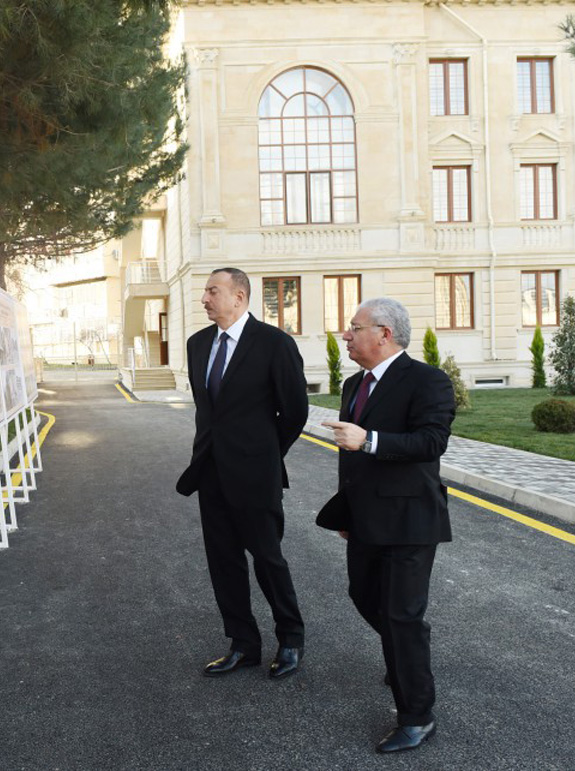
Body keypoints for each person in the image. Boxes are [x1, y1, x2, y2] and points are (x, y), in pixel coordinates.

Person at [319, 297, 455, 753]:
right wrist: (347, 514)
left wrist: (370, 439)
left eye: (353, 327)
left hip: (410, 520)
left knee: (400, 616)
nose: (346, 335)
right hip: (365, 519)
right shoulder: (353, 384)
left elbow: (432, 440)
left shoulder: (428, 380)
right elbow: (351, 459)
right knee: (363, 596)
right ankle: (406, 650)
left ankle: (417, 716)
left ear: (385, 333)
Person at [176, 268, 308, 679]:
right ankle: (243, 644)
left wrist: (265, 455)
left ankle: (290, 639)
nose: (204, 299)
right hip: (210, 472)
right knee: (223, 562)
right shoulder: (198, 344)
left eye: (212, 291)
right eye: (205, 292)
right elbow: (207, 410)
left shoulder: (274, 344)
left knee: (268, 559)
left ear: (240, 296)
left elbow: (295, 412)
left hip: (255, 475)